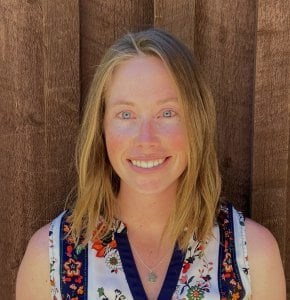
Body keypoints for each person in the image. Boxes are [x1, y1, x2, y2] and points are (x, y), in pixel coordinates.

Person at [16, 28, 286, 300]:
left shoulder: (251, 256)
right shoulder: (49, 259)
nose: (146, 139)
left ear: (197, 123)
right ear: (101, 127)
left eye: (167, 113)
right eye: (126, 114)